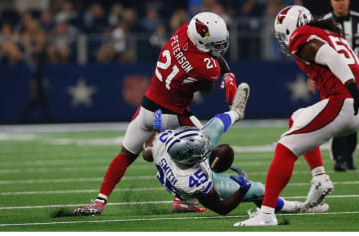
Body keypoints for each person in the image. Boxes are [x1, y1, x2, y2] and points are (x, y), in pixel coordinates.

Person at [74, 12, 237, 216]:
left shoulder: (182, 32)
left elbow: (208, 54)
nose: (220, 47)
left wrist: (225, 72)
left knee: (125, 155)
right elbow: (210, 73)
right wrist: (228, 74)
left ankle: (99, 202)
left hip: (147, 107)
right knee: (203, 149)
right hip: (174, 114)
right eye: (216, 43)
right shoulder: (206, 67)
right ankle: (183, 199)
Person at [234, 5, 359, 226]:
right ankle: (320, 178)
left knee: (285, 147)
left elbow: (332, 57)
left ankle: (266, 215)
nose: (284, 39)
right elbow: (351, 63)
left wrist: (353, 90)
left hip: (343, 103)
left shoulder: (302, 35)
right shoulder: (329, 33)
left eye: (284, 33)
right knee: (298, 116)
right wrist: (352, 89)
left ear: (293, 27)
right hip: (355, 107)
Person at [143, 83, 329, 215]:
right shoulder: (194, 181)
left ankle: (236, 113)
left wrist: (157, 128)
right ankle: (297, 207)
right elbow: (222, 208)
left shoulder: (164, 144)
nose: (205, 148)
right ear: (190, 158)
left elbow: (147, 152)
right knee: (258, 190)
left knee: (213, 127)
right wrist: (242, 189)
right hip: (200, 183)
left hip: (181, 164)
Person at [323, 0, 359, 171]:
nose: (340, 4)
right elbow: (317, 48)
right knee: (339, 116)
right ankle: (340, 158)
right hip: (336, 77)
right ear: (331, 2)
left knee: (356, 117)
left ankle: (348, 157)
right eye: (336, 0)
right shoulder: (326, 21)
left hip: (358, 76)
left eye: (343, 0)